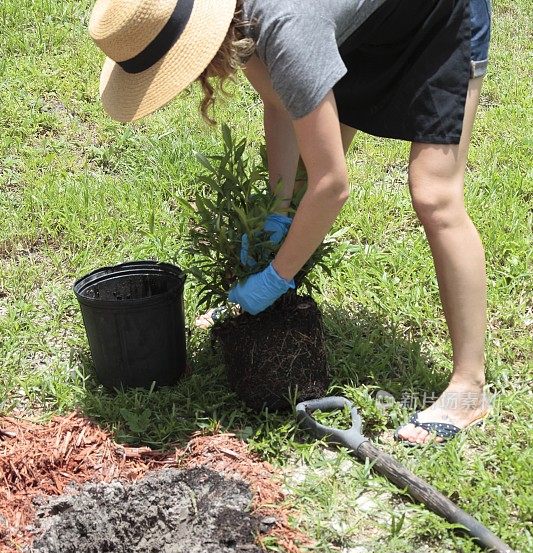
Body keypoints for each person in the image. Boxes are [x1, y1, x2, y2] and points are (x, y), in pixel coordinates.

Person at [88, 0, 492, 444]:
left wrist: (276, 276)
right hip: (370, 19)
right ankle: (267, 289)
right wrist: (278, 209)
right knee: (303, 180)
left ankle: (469, 389)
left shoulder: (287, 30)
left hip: (441, 16)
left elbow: (333, 186)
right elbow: (280, 105)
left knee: (434, 195)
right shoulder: (241, 17)